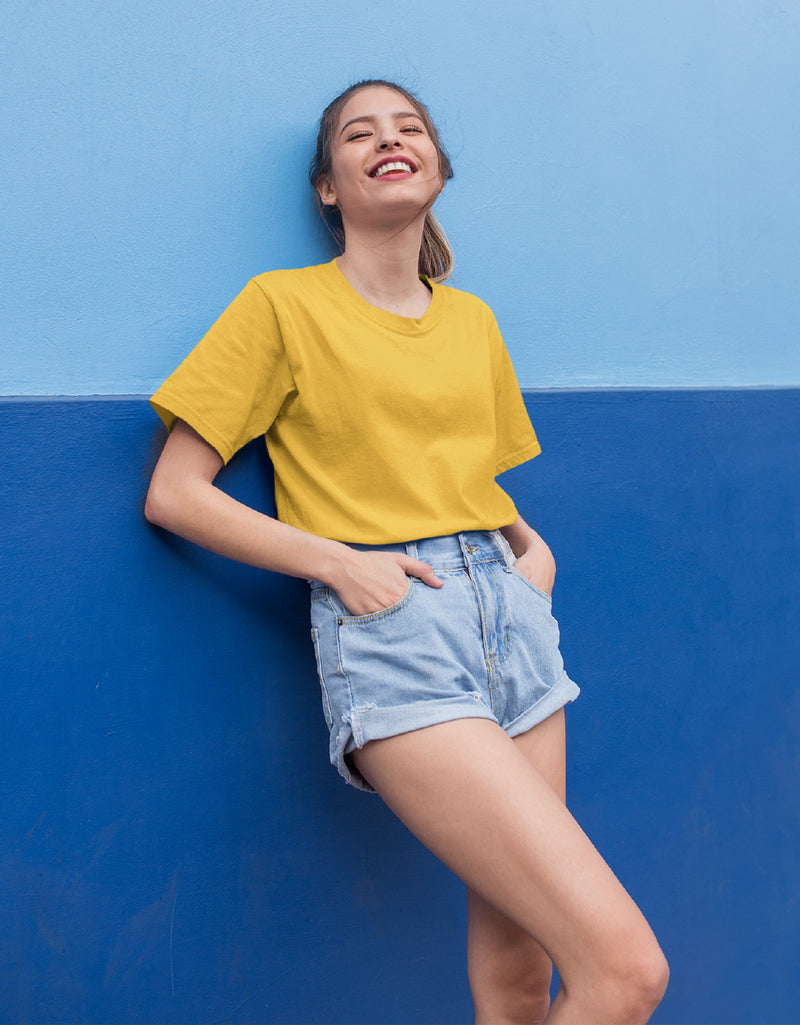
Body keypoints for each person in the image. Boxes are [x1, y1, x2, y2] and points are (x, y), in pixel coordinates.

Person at [145, 79, 669, 1024]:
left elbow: (470, 480)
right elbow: (174, 493)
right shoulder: (281, 306)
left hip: (514, 622)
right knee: (627, 973)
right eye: (360, 133)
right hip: (399, 630)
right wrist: (339, 562)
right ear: (328, 187)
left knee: (522, 976)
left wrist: (532, 555)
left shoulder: (473, 321)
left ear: (438, 167)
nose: (389, 140)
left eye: (409, 127)